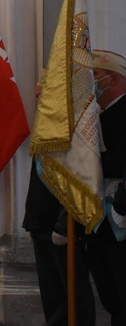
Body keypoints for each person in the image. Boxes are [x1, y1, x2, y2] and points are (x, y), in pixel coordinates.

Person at [23, 70, 96, 326]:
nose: (38, 99)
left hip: (62, 226)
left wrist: (66, 222)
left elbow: (77, 180)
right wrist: (31, 221)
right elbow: (38, 179)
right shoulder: (45, 130)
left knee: (73, 294)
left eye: (43, 95)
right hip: (41, 221)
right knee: (52, 296)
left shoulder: (72, 132)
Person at [89, 50, 126, 324]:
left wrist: (84, 159)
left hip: (121, 219)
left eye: (95, 76)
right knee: (110, 293)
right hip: (101, 220)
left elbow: (119, 161)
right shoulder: (101, 116)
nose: (91, 82)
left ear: (112, 80)